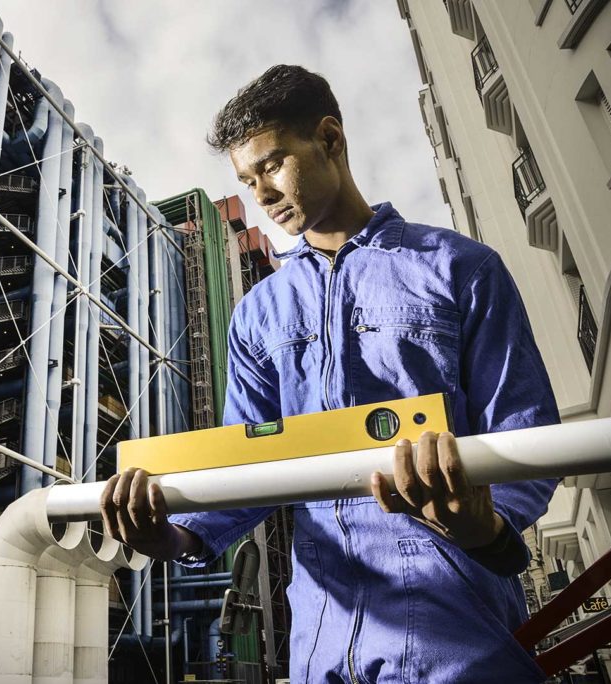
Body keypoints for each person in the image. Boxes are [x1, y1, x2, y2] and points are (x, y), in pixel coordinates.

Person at [99, 65, 559, 682]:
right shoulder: (258, 313)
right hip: (321, 639)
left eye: (273, 164)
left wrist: (488, 525)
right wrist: (171, 537)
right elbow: (250, 463)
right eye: (245, 179)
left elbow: (526, 433)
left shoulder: (459, 268)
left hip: (455, 627)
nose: (260, 194)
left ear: (331, 139)